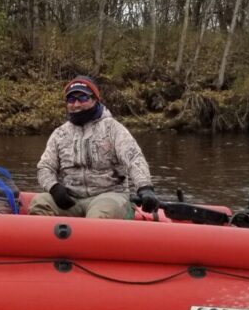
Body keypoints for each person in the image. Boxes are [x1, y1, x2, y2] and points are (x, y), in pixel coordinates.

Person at [28, 76, 159, 219]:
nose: (76, 104)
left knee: (100, 214)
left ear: (95, 99)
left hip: (109, 195)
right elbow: (45, 168)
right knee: (39, 202)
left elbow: (134, 159)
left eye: (83, 98)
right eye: (71, 100)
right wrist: (54, 188)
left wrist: (145, 187)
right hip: (72, 200)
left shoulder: (113, 128)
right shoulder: (59, 134)